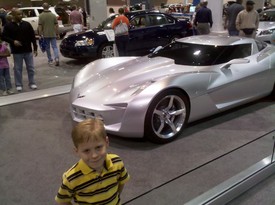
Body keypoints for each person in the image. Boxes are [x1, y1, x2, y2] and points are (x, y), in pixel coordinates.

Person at [55, 118, 130, 205]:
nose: (94, 155)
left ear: (106, 142)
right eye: (86, 150)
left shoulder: (117, 162)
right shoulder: (71, 178)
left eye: (98, 147)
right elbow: (62, 200)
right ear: (77, 151)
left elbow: (122, 182)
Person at [2, 8, 38, 92]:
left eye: (21, 14)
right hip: (17, 51)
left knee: (31, 68)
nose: (20, 16)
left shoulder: (27, 24)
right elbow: (4, 36)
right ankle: (18, 84)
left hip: (28, 50)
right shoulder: (8, 26)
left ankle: (32, 83)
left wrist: (35, 48)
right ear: (13, 15)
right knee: (18, 69)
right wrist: (13, 41)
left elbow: (32, 36)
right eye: (18, 14)